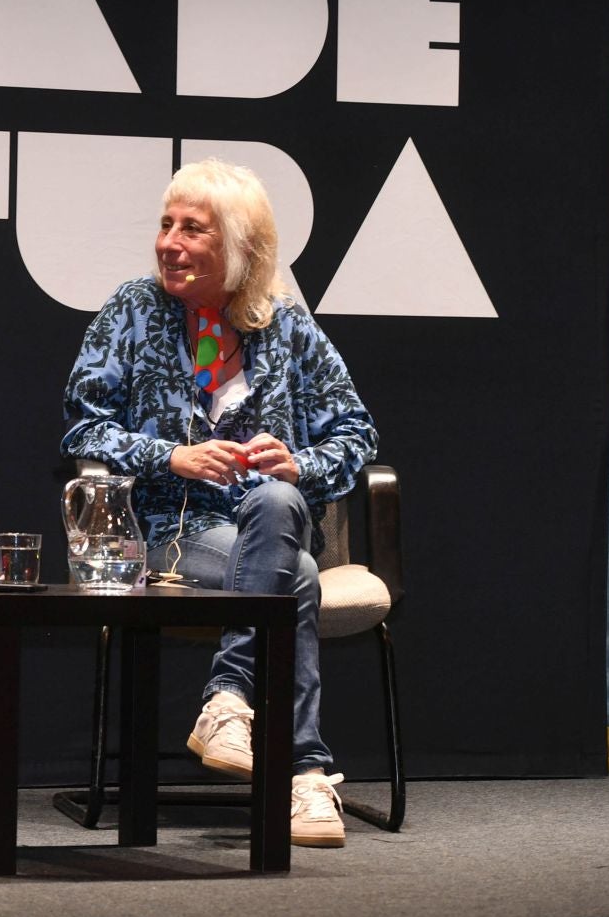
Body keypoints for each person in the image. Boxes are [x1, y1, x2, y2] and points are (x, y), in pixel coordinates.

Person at [60, 157, 377, 848]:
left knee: (277, 498)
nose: (169, 242)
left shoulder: (287, 328)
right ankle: (304, 772)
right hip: (174, 536)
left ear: (239, 248)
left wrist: (301, 461)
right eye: (166, 224)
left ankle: (230, 700)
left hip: (266, 525)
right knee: (293, 578)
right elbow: (82, 426)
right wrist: (169, 456)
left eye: (192, 229)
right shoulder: (134, 311)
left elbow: (357, 433)